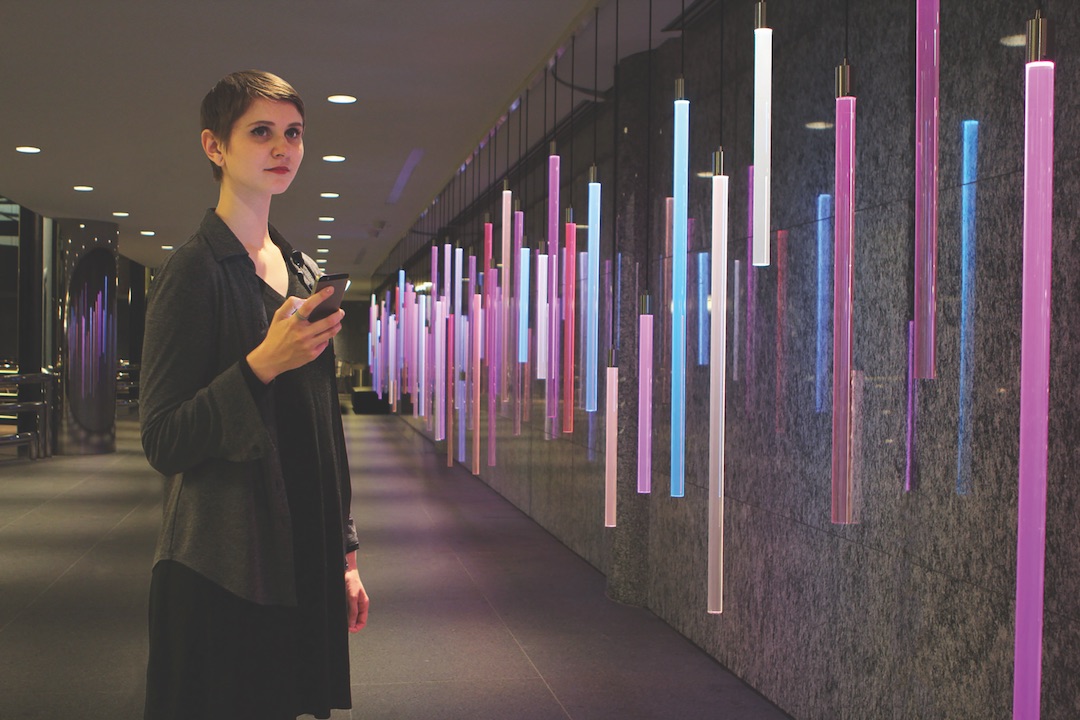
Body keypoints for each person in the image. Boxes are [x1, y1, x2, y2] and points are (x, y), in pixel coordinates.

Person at [140, 70, 369, 720]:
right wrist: (260, 365)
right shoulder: (194, 272)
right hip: (222, 566)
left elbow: (324, 427)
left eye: (293, 133)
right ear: (215, 147)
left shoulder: (303, 271)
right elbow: (163, 438)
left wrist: (344, 554)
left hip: (298, 553)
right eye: (261, 132)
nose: (282, 148)